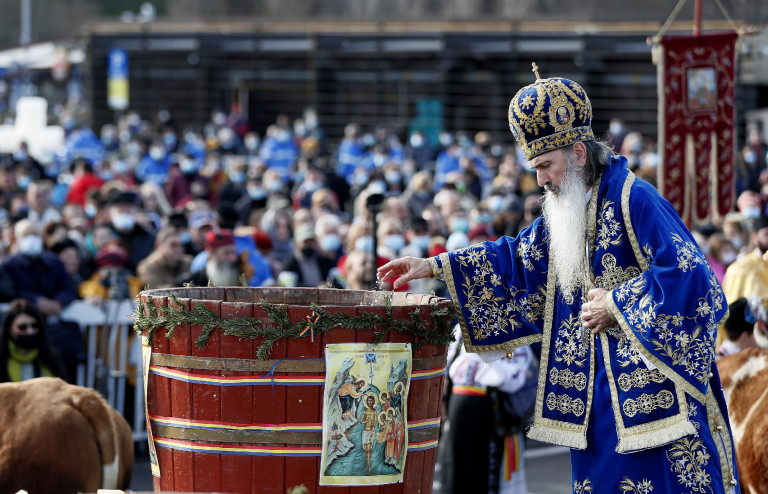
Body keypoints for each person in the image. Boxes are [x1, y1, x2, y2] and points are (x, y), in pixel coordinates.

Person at [379, 68, 740, 492]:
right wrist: (435, 266)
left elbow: (692, 280)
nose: (540, 181)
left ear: (579, 155)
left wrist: (617, 305)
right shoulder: (563, 213)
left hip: (657, 406)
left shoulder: (635, 199)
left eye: (546, 165)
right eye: (535, 168)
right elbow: (515, 261)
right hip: (592, 409)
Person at [0, 299, 68, 382]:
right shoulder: (2, 358)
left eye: (34, 325)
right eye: (22, 327)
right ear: (9, 329)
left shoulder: (51, 357)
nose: (30, 331)